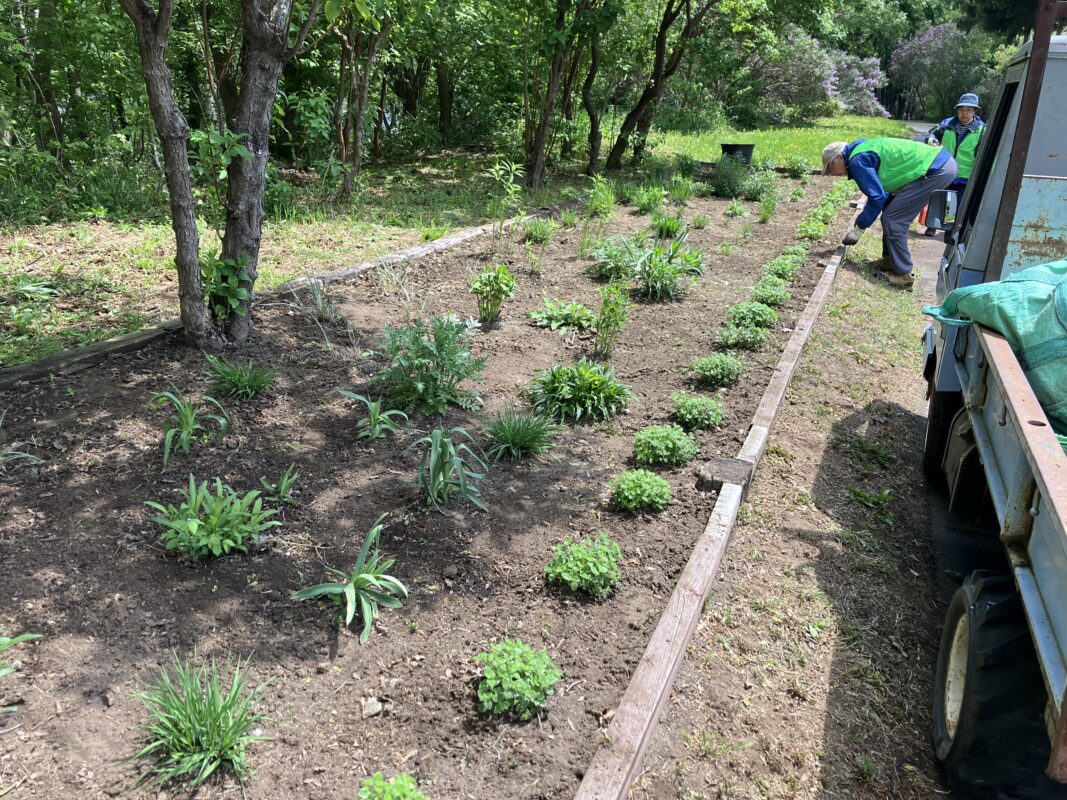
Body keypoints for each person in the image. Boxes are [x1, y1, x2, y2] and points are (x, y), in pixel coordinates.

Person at [822, 137, 957, 288]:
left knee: (894, 220)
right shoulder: (861, 151)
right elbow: (882, 195)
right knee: (891, 212)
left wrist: (859, 227)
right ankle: (890, 260)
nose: (834, 173)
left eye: (831, 167)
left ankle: (903, 273)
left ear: (839, 157)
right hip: (940, 163)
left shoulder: (857, 161)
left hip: (935, 169)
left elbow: (877, 197)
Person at [922, 92, 985, 233]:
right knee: (939, 199)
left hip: (965, 174)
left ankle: (951, 230)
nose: (964, 113)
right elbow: (930, 135)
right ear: (957, 110)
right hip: (944, 170)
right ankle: (932, 226)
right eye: (962, 110)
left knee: (958, 204)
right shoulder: (946, 124)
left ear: (974, 112)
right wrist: (932, 141)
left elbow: (983, 153)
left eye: (968, 110)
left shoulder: (982, 130)